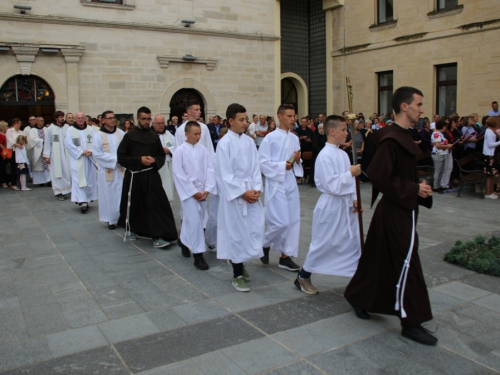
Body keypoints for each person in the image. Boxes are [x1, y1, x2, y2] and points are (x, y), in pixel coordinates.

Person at [344, 86, 437, 346]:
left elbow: (398, 175)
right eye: (418, 104)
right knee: (408, 264)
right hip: (397, 212)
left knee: (377, 258)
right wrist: (413, 189)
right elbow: (381, 175)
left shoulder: (402, 136)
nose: (421, 109)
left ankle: (357, 295)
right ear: (404, 106)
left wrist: (419, 189)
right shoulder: (391, 138)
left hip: (399, 208)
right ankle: (411, 322)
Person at [295, 115, 362, 294]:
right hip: (332, 205)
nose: (347, 133)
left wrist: (355, 198)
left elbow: (350, 184)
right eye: (343, 129)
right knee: (324, 242)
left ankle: (357, 277)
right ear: (332, 131)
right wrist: (350, 174)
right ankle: (303, 275)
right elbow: (329, 184)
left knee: (352, 241)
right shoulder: (325, 156)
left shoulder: (342, 154)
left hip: (346, 204)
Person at [216, 103, 264, 292]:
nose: (246, 123)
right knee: (236, 233)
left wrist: (255, 189)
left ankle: (241, 262)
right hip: (234, 196)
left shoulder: (249, 142)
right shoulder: (224, 144)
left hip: (249, 192)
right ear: (230, 121)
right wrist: (241, 192)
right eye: (241, 120)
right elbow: (224, 174)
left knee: (252, 230)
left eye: (246, 120)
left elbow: (255, 168)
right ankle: (237, 273)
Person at [117, 106, 178, 248]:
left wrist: (154, 161)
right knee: (135, 205)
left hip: (151, 176)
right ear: (137, 119)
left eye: (148, 119)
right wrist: (139, 160)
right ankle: (133, 228)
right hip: (135, 177)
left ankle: (158, 236)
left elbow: (160, 155)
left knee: (155, 206)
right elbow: (121, 157)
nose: (146, 121)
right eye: (143, 119)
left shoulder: (153, 136)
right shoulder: (130, 136)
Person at [258, 104, 303, 272]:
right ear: (280, 116)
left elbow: (296, 162)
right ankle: (264, 243)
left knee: (292, 220)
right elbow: (262, 162)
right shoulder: (270, 138)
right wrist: (281, 166)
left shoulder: (294, 138)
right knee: (280, 222)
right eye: (290, 116)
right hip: (276, 182)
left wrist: (297, 160)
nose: (293, 119)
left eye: (294, 116)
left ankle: (285, 256)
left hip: (290, 181)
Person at [173, 121, 216, 270]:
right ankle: (198, 255)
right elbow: (179, 175)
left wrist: (208, 188)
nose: (198, 137)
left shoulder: (203, 150)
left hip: (203, 192)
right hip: (189, 193)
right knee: (196, 222)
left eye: (200, 134)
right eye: (195, 134)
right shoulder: (179, 151)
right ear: (187, 134)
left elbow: (210, 169)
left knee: (196, 219)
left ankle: (183, 240)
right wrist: (193, 192)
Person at [92, 110, 125, 229]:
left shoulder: (121, 133)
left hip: (121, 170)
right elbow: (97, 154)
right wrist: (116, 159)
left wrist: (124, 160)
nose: (112, 120)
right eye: (109, 118)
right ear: (103, 120)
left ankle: (122, 218)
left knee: (122, 193)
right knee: (109, 195)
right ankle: (111, 220)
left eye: (113, 118)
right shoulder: (98, 136)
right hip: (107, 170)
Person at [64, 112, 98, 213]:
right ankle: (82, 201)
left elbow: (96, 142)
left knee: (89, 179)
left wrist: (91, 151)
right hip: (77, 159)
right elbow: (68, 144)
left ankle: (87, 198)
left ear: (85, 119)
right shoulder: (70, 130)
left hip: (89, 158)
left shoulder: (90, 129)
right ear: (75, 119)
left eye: (82, 118)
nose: (80, 119)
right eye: (78, 118)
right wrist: (80, 152)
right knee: (79, 179)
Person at [44, 111, 71, 200]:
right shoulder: (50, 128)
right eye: (60, 117)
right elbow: (47, 142)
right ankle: (59, 192)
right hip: (55, 154)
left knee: (67, 172)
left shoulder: (67, 127)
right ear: (56, 118)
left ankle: (68, 189)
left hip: (66, 153)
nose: (62, 118)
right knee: (57, 173)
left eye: (63, 117)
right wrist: (47, 155)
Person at [152, 114, 176, 202]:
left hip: (169, 164)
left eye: (162, 123)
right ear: (153, 124)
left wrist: (169, 150)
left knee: (168, 188)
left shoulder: (168, 134)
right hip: (157, 167)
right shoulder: (150, 135)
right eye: (158, 123)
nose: (161, 125)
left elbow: (176, 146)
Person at [431, 119, 453, 193]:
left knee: (441, 171)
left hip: (442, 154)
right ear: (442, 126)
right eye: (445, 126)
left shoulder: (440, 134)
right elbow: (437, 145)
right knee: (438, 171)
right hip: (438, 154)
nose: (446, 128)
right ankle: (435, 186)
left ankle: (439, 185)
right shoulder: (436, 134)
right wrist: (447, 146)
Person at [27, 117, 51, 186]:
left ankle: (49, 180)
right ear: (37, 122)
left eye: (43, 120)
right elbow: (32, 140)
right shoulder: (32, 130)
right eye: (41, 121)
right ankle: (41, 181)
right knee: (39, 166)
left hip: (46, 150)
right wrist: (41, 140)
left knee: (48, 166)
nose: (42, 122)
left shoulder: (46, 129)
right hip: (37, 150)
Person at [482, 116, 500, 198]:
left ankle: (491, 190)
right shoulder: (489, 131)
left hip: (492, 155)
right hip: (489, 155)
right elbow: (490, 144)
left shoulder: (492, 131)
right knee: (489, 175)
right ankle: (487, 193)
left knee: (492, 174)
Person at [6, 118, 25, 191]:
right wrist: (17, 145)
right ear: (13, 124)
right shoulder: (10, 130)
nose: (19, 125)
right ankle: (13, 184)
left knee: (21, 166)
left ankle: (22, 184)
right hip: (13, 150)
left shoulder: (21, 132)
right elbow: (9, 139)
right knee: (13, 167)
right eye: (17, 123)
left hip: (20, 151)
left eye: (20, 123)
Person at [310, 123, 327, 187]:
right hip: (316, 154)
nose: (321, 130)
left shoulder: (326, 135)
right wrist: (323, 150)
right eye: (320, 128)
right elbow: (315, 145)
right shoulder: (315, 135)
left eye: (323, 128)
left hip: (324, 154)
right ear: (318, 129)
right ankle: (313, 181)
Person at [0, 121, 8, 188]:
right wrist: (5, 150)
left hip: (8, 152)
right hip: (2, 153)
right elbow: (0, 144)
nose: (7, 128)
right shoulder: (0, 135)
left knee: (8, 167)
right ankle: (3, 182)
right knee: (2, 168)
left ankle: (9, 181)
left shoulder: (7, 134)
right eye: (6, 126)